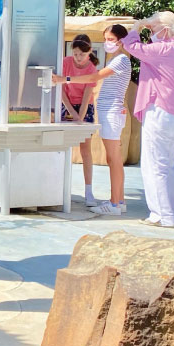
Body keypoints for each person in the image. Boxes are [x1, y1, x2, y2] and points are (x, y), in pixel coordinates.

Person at [121, 11, 174, 228]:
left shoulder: (164, 49)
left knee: (154, 165)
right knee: (168, 164)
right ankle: (172, 212)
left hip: (160, 112)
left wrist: (137, 27)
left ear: (164, 30)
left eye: (154, 30)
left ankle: (162, 216)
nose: (151, 33)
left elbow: (133, 47)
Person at [53, 25, 131, 215]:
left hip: (112, 112)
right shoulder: (117, 59)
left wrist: (66, 79)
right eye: (105, 39)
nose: (107, 43)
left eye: (110, 39)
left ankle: (114, 204)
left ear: (121, 41)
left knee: (114, 158)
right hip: (109, 112)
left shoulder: (120, 60)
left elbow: (95, 76)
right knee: (113, 158)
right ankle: (118, 200)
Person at [60, 34, 99, 206]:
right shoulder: (65, 62)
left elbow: (87, 95)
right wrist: (71, 113)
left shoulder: (91, 69)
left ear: (89, 52)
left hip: (85, 107)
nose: (78, 58)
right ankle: (59, 187)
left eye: (82, 54)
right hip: (66, 105)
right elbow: (60, 88)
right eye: (75, 54)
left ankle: (88, 190)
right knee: (61, 145)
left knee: (85, 148)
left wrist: (80, 117)